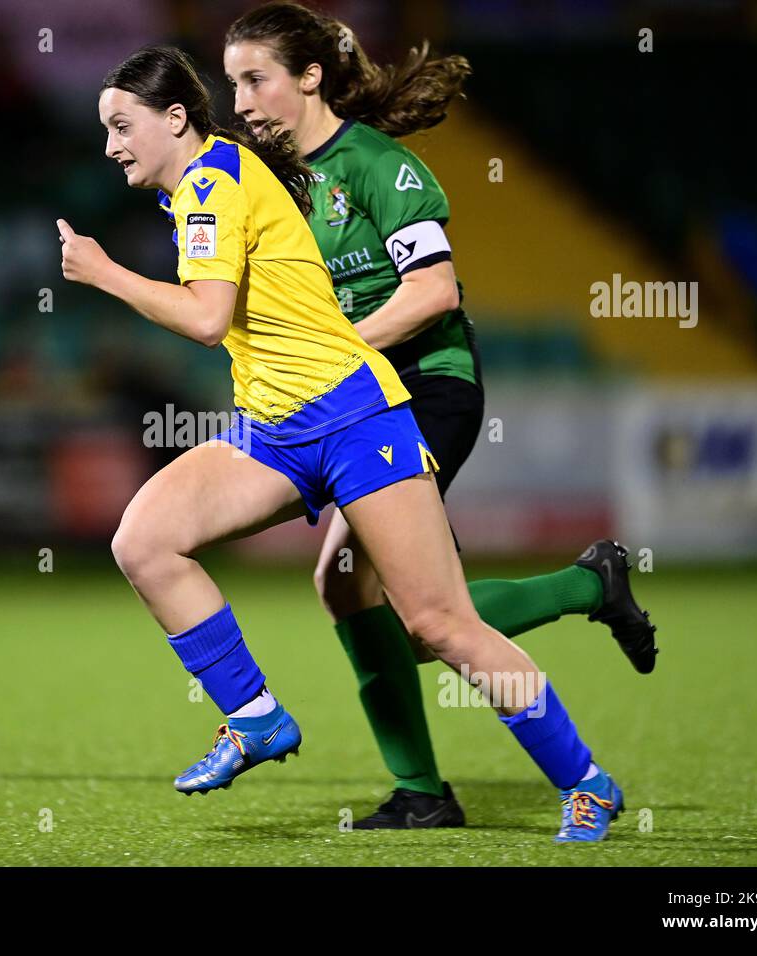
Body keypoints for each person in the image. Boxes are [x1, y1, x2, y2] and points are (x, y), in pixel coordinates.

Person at [60, 44, 623, 841]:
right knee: (146, 540)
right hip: (277, 432)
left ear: (175, 119)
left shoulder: (212, 185)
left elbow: (205, 318)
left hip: (358, 421)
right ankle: (255, 717)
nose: (111, 145)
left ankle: (587, 782)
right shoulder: (210, 177)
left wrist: (102, 270)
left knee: (439, 625)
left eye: (122, 126)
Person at [224, 0, 657, 830]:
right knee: (368, 597)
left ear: (309, 78)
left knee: (416, 613)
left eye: (255, 79)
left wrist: (334, 350)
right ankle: (581, 591)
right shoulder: (276, 187)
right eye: (232, 81)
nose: (239, 101)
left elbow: (433, 292)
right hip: (355, 396)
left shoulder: (378, 166)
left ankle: (445, 788)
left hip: (428, 385)